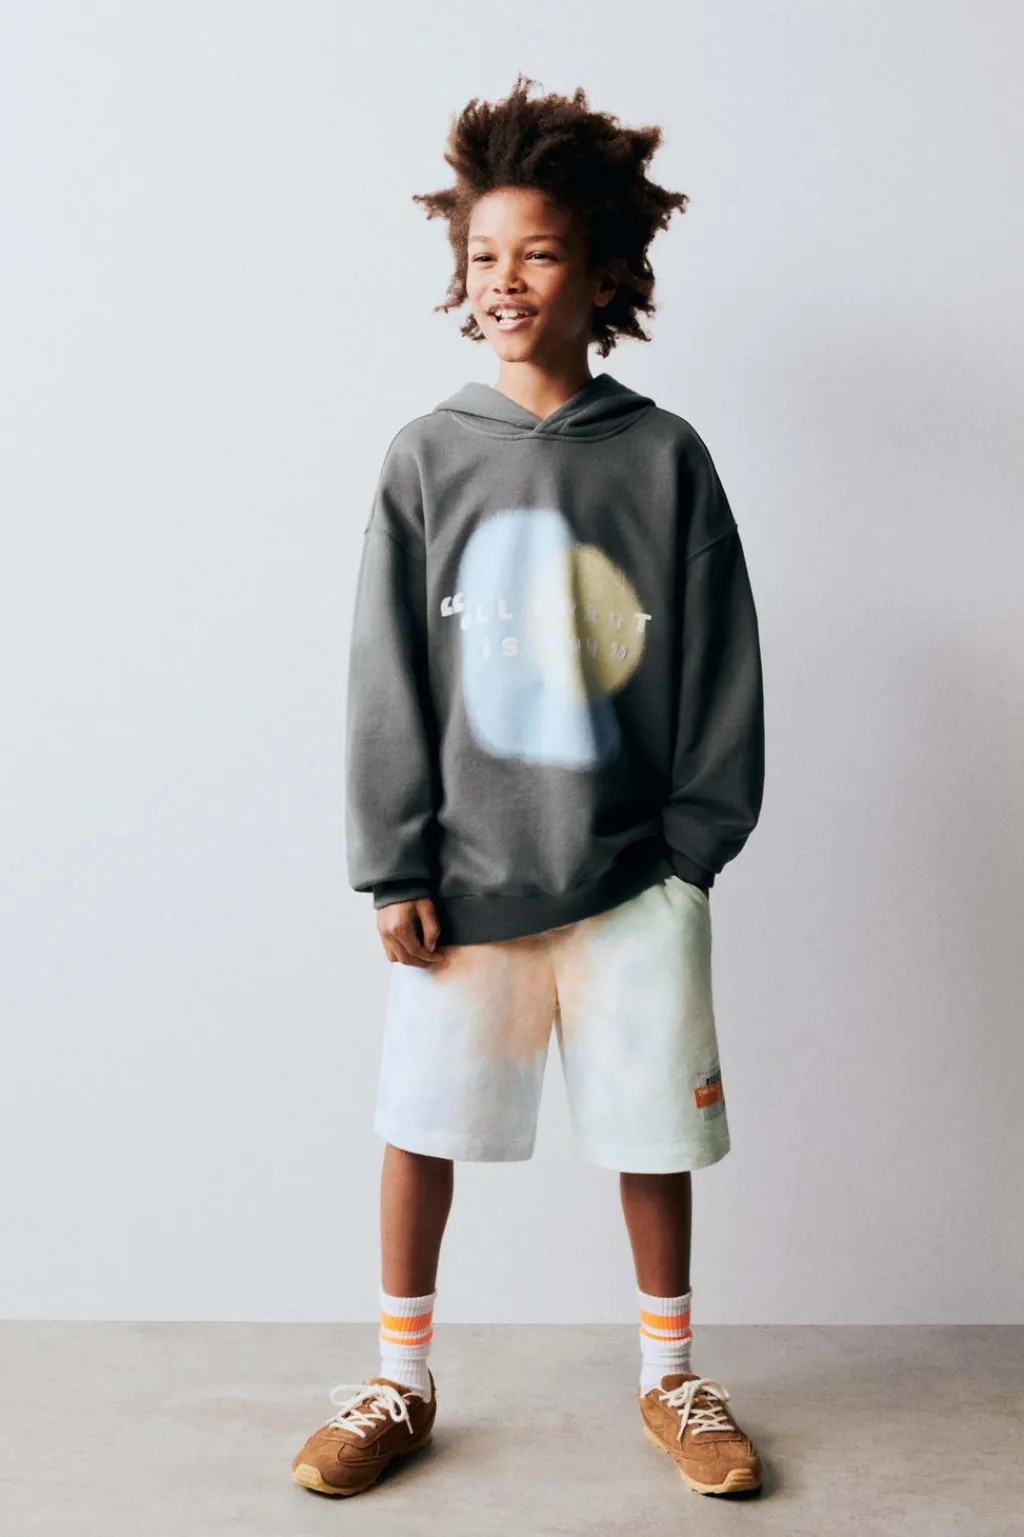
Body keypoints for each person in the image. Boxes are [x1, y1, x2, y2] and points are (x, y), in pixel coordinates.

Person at [292, 73, 766, 1501]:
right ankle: (400, 1377)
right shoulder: (427, 459)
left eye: (539, 253)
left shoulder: (665, 458)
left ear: (603, 274)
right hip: (466, 885)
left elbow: (722, 665)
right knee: (418, 1127)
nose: (505, 279)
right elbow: (387, 673)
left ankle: (671, 1376)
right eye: (484, 255)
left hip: (631, 881)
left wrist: (689, 854)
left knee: (651, 1134)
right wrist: (395, 863)